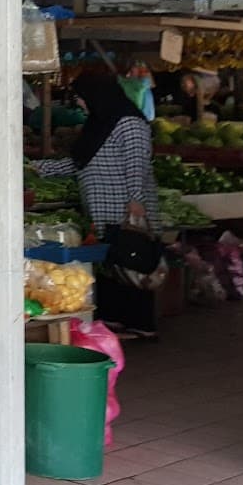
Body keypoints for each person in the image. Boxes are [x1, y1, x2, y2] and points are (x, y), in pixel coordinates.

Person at [34, 67, 160, 334]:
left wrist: (135, 200)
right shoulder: (100, 123)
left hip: (124, 205)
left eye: (81, 97)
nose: (79, 103)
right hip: (102, 206)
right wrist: (40, 169)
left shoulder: (129, 122)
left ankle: (140, 322)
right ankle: (115, 317)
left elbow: (136, 163)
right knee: (110, 261)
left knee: (130, 258)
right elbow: (80, 163)